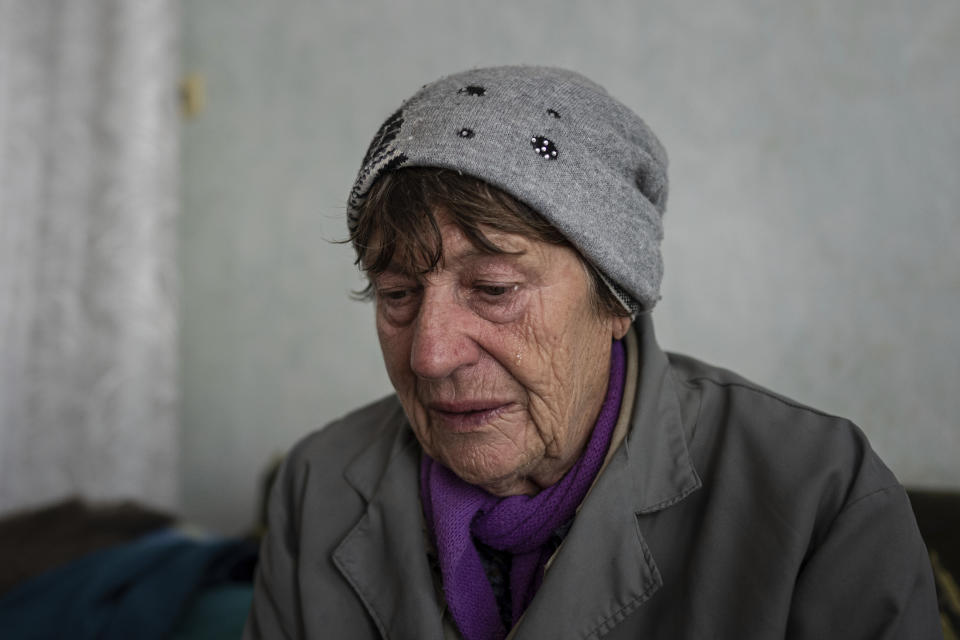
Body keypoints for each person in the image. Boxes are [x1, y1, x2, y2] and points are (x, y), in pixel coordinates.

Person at [244, 66, 941, 639]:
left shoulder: (820, 494)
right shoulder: (318, 485)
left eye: (492, 288)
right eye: (397, 294)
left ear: (615, 298)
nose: (429, 355)